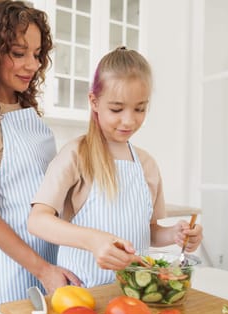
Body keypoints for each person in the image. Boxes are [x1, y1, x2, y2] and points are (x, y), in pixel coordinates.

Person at [27, 47, 203, 288]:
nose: (129, 120)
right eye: (117, 109)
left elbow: (147, 232)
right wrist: (93, 240)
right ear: (94, 101)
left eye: (140, 108)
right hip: (83, 295)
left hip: (134, 296)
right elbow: (37, 221)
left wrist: (175, 234)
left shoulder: (147, 165)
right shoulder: (76, 155)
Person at [0, 0, 80, 305]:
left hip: (54, 258)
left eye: (36, 54)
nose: (33, 65)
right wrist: (43, 270)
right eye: (19, 53)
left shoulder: (27, 109)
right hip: (15, 271)